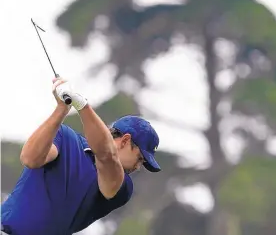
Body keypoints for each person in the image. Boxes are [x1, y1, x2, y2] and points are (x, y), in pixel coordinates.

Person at [1, 78, 161, 235]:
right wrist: (62, 109)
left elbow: (106, 156)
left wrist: (82, 105)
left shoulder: (123, 186)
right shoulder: (65, 137)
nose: (138, 167)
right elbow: (30, 159)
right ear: (125, 140)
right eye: (140, 158)